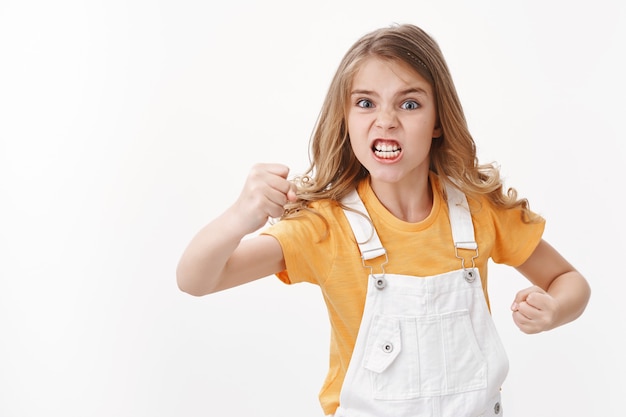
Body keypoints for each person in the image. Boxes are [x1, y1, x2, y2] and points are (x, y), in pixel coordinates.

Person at [176, 23, 591, 417]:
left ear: (438, 122)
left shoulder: (479, 213)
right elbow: (197, 280)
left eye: (409, 104)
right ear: (346, 118)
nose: (386, 120)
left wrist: (553, 308)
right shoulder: (326, 227)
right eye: (366, 103)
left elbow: (569, 281)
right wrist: (237, 218)